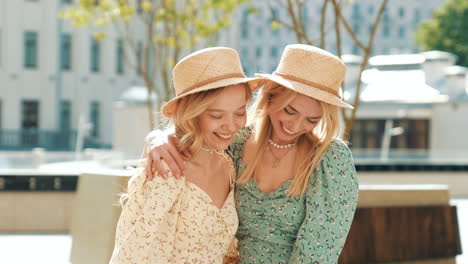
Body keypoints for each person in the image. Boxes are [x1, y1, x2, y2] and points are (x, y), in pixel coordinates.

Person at [144, 44, 359, 263]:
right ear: (271, 97)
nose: (295, 126)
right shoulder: (234, 144)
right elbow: (199, 130)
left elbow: (320, 250)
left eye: (312, 120)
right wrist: (158, 136)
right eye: (290, 111)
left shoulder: (330, 159)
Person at [109, 47, 261, 264]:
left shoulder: (228, 162)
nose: (231, 125)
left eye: (240, 112)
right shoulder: (167, 168)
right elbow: (133, 254)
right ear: (191, 113)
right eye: (216, 115)